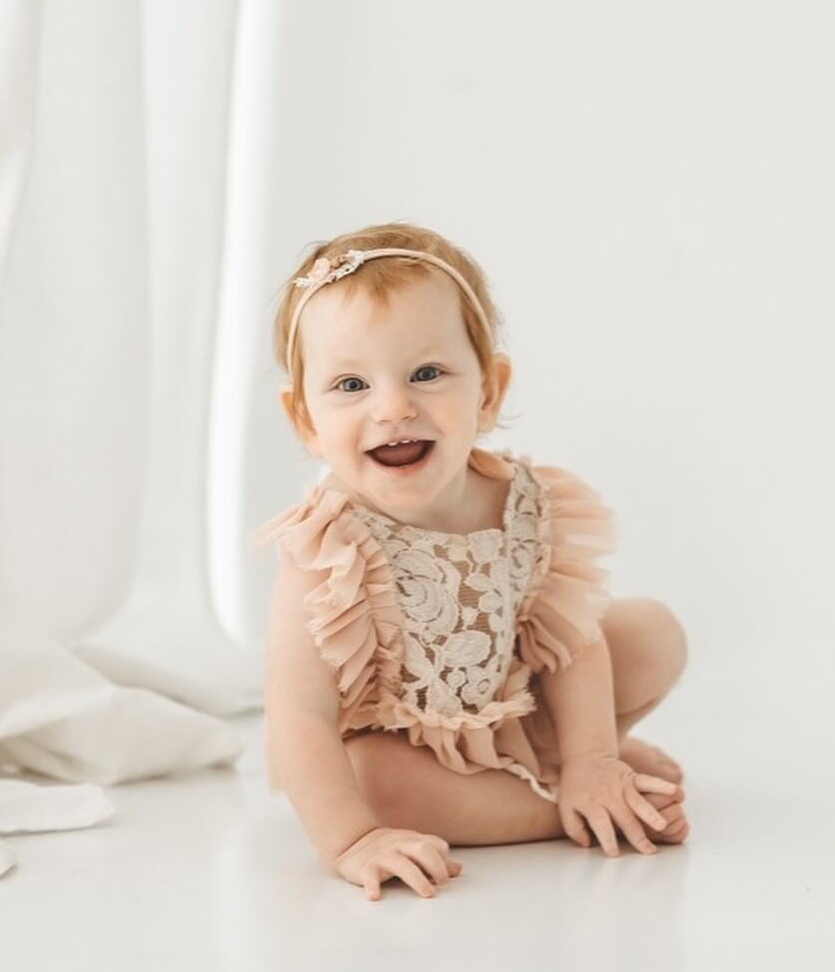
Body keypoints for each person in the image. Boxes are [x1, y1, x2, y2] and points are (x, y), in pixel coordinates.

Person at [253, 221, 690, 901]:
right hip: (400, 751)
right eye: (350, 385)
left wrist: (593, 755)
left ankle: (577, 770)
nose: (394, 407)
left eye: (427, 374)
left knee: (651, 633)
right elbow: (299, 718)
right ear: (304, 420)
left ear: (488, 391)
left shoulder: (525, 502)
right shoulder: (329, 546)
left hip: (507, 709)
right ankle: (551, 806)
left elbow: (567, 644)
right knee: (375, 782)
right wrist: (352, 839)